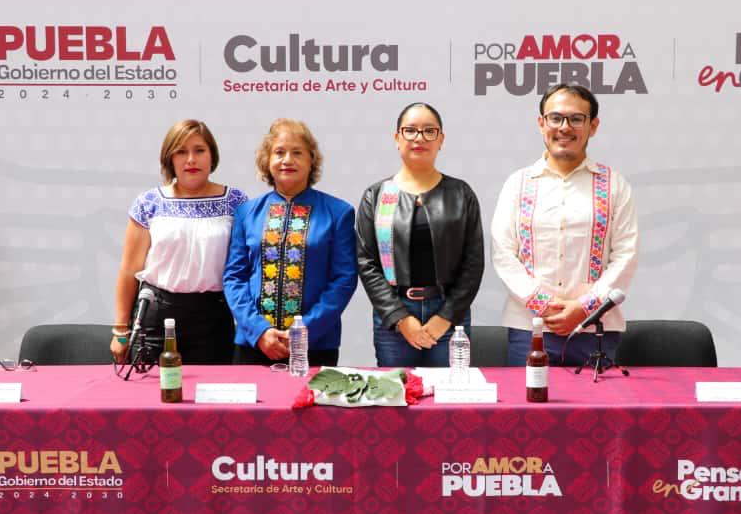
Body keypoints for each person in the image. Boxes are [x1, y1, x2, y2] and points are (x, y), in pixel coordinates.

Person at [491, 83, 638, 367]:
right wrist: (543, 304)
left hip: (595, 328)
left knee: (598, 398)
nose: (564, 127)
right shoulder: (518, 184)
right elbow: (503, 254)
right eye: (555, 118)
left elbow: (626, 255)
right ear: (541, 123)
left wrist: (584, 307)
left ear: (593, 126)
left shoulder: (614, 185)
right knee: (528, 397)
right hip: (530, 327)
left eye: (576, 119)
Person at [356, 103, 484, 367]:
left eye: (429, 131)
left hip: (450, 318)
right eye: (410, 130)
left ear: (441, 139)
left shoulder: (460, 194)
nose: (419, 138)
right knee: (397, 389)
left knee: (451, 390)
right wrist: (400, 317)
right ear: (397, 138)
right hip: (395, 319)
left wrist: (445, 317)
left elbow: (473, 262)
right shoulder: (376, 196)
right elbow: (366, 263)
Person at [110, 119, 247, 366]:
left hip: (213, 320)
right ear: (169, 159)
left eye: (199, 150)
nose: (191, 160)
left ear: (212, 156)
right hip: (156, 319)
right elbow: (129, 271)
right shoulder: (149, 203)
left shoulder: (236, 202)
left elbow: (245, 269)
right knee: (152, 389)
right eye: (181, 152)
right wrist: (120, 330)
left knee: (211, 390)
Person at [223, 118, 357, 366]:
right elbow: (234, 278)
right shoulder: (246, 213)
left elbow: (344, 279)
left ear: (311, 160)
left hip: (315, 344)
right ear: (267, 160)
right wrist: (259, 331)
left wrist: (305, 330)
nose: (287, 160)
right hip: (254, 343)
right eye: (279, 152)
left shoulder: (338, 213)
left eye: (297, 152)